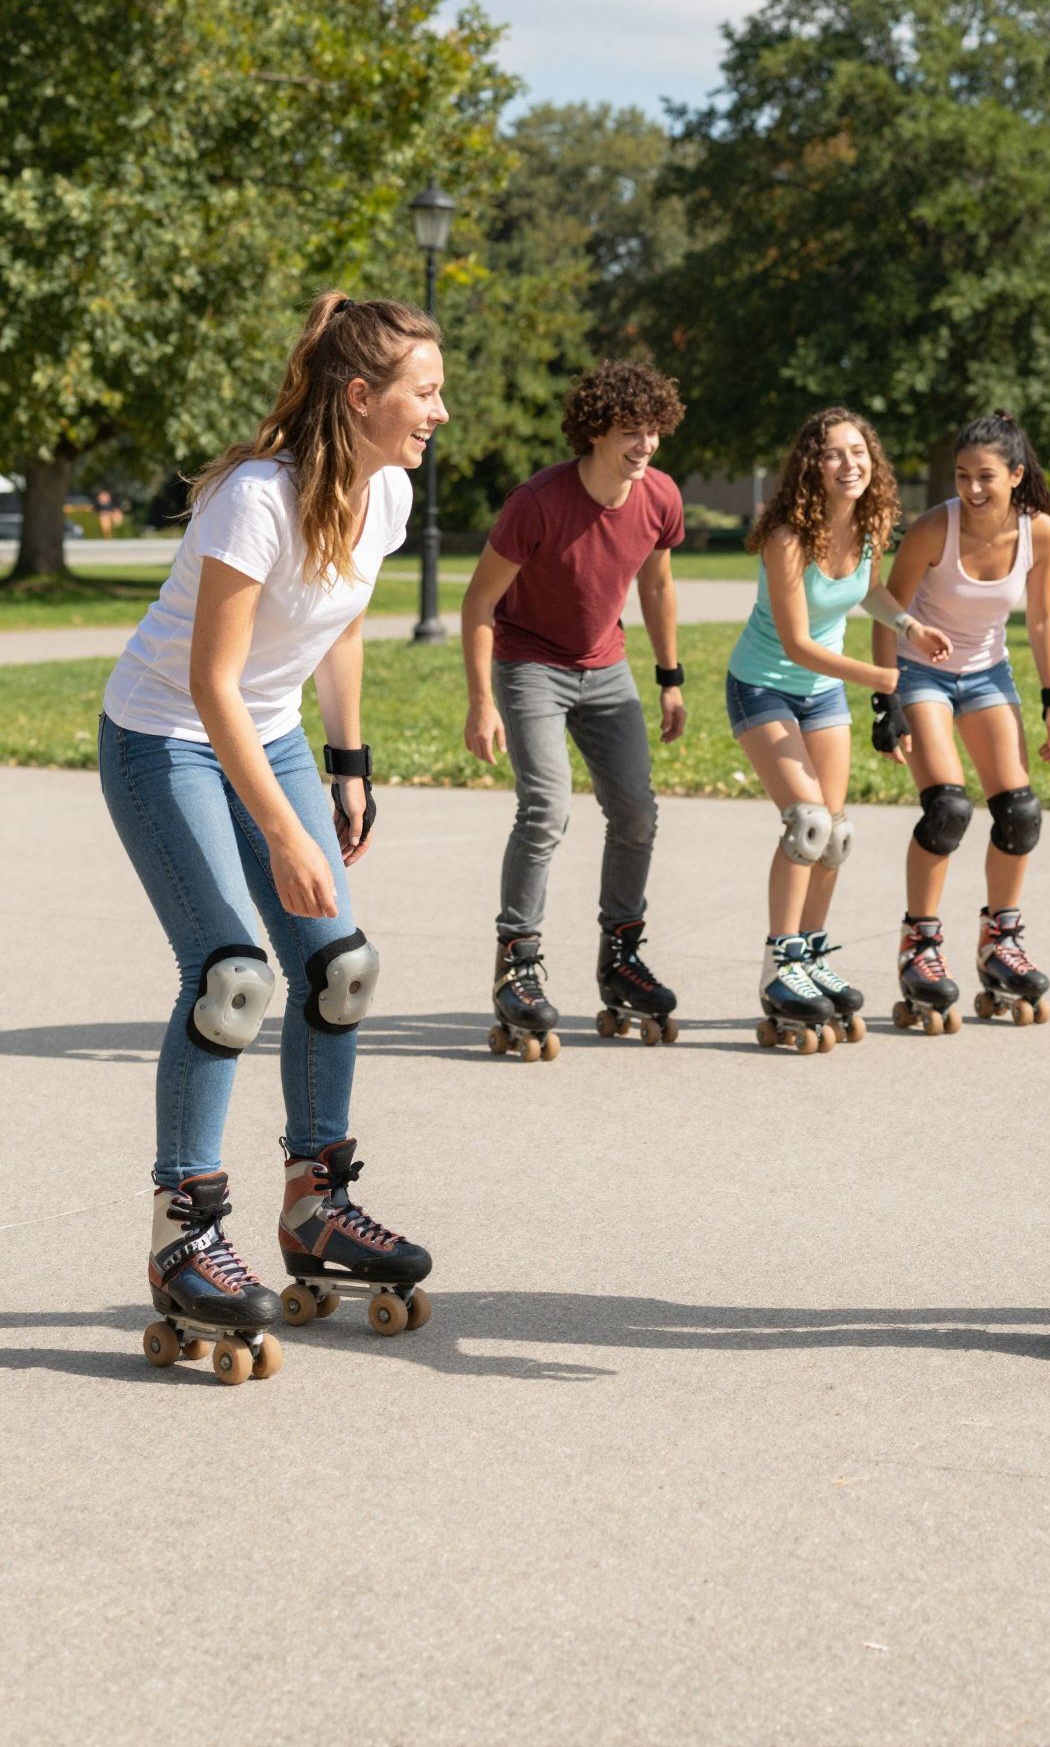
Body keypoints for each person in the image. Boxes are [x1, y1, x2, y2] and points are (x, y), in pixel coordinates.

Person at [101, 291, 444, 1383]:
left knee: (340, 968)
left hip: (274, 734)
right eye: (424, 392)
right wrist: (278, 829)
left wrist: (346, 769)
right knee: (232, 975)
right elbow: (209, 684)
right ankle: (185, 1232)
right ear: (361, 397)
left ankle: (317, 1205)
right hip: (167, 739)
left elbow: (336, 630)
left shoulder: (384, 492)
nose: (440, 412)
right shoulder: (257, 499)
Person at [461, 361, 687, 1059]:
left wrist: (670, 677)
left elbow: (655, 586)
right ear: (594, 432)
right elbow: (478, 604)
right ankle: (517, 966)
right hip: (530, 663)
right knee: (546, 809)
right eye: (629, 432)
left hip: (607, 666)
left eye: (653, 430)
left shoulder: (660, 498)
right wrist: (480, 701)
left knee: (637, 812)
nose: (645, 445)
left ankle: (620, 956)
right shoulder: (538, 502)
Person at [726, 407, 950, 1051]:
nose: (849, 464)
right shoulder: (787, 538)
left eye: (859, 451)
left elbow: (869, 591)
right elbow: (796, 643)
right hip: (763, 684)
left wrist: (908, 628)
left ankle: (811, 955)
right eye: (833, 454)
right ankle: (779, 965)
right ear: (810, 467)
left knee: (836, 833)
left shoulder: (870, 527)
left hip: (821, 695)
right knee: (807, 822)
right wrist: (878, 678)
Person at [871, 411, 1050, 1036]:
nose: (973, 489)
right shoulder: (935, 528)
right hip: (921, 672)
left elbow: (1040, 619)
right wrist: (887, 698)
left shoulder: (1042, 533)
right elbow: (884, 608)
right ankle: (920, 946)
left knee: (1020, 812)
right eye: (962, 476)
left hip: (987, 674)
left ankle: (998, 940)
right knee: (948, 810)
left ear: (1016, 475)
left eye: (986, 476)